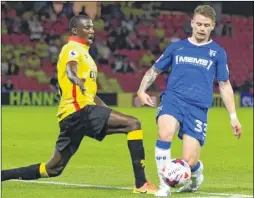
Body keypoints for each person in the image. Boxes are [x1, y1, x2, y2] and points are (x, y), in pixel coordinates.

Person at [1, 14, 157, 195]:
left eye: (92, 27)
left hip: (73, 116)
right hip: (79, 110)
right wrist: (77, 80)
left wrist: (106, 110)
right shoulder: (72, 48)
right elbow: (70, 69)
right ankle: (141, 183)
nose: (91, 30)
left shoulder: (85, 53)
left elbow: (91, 95)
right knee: (133, 124)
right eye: (87, 27)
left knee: (52, 169)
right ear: (75, 30)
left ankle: (3, 175)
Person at [137, 5, 242, 197]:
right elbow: (154, 70)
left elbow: (224, 85)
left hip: (198, 108)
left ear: (213, 26)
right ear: (192, 22)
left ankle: (196, 174)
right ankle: (164, 186)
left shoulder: (217, 52)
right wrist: (141, 90)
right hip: (173, 99)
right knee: (165, 132)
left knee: (189, 161)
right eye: (199, 24)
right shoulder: (176, 47)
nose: (202, 28)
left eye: (206, 25)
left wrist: (233, 117)